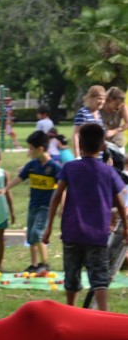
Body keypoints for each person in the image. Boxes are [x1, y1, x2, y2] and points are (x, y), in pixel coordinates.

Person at [43, 123, 128, 311]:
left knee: (71, 276)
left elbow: (56, 197)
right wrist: (126, 229)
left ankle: (71, 311)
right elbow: (121, 202)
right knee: (100, 278)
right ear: (103, 147)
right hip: (97, 236)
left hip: (71, 233)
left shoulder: (70, 168)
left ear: (80, 144)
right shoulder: (108, 171)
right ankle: (103, 315)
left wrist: (49, 227)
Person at [0, 130, 60, 273]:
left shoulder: (54, 167)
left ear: (40, 149)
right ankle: (34, 264)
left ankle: (45, 264)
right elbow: (20, 178)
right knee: (31, 235)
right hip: (33, 206)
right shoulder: (32, 165)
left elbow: (62, 187)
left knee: (37, 233)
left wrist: (62, 205)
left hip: (46, 207)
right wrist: (6, 189)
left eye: (31, 148)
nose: (29, 151)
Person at [72, 85, 106, 157]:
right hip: (86, 156)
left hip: (99, 157)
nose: (102, 102)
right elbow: (76, 135)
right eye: (99, 98)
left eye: (104, 99)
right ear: (90, 98)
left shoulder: (98, 113)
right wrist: (77, 156)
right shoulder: (83, 112)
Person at [102, 87, 128, 155]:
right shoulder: (100, 107)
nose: (118, 108)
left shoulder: (122, 107)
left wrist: (114, 131)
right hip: (102, 145)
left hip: (117, 144)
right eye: (116, 105)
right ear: (109, 100)